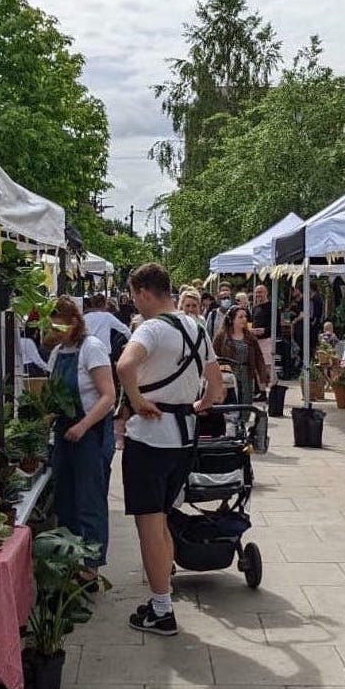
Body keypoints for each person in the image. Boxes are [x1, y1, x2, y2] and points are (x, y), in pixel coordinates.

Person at [116, 263, 224, 636]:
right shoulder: (196, 327)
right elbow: (217, 387)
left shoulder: (151, 328)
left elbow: (124, 366)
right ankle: (162, 597)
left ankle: (161, 608)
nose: (135, 303)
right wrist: (199, 405)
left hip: (149, 437)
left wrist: (137, 400)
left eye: (134, 295)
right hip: (184, 437)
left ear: (145, 292)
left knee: (149, 525)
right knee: (162, 517)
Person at [45, 297, 117, 581]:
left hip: (90, 434)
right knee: (65, 499)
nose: (54, 332)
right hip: (64, 434)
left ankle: (90, 566)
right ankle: (69, 558)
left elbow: (108, 396)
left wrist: (84, 425)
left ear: (74, 322)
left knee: (89, 500)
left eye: (58, 325)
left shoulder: (93, 349)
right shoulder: (58, 352)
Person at [213, 306, 268, 407]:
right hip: (229, 376)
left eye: (245, 317)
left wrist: (263, 376)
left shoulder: (250, 338)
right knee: (231, 405)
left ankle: (244, 421)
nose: (244, 319)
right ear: (232, 319)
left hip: (246, 375)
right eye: (240, 317)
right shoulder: (222, 336)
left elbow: (259, 358)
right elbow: (213, 356)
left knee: (246, 404)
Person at [250, 285, 274, 386]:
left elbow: (276, 326)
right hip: (256, 340)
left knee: (268, 366)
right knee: (258, 366)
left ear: (266, 293)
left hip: (267, 340)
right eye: (257, 292)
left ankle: (273, 388)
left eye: (260, 292)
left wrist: (264, 330)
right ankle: (262, 390)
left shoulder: (271, 307)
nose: (258, 295)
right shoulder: (255, 308)